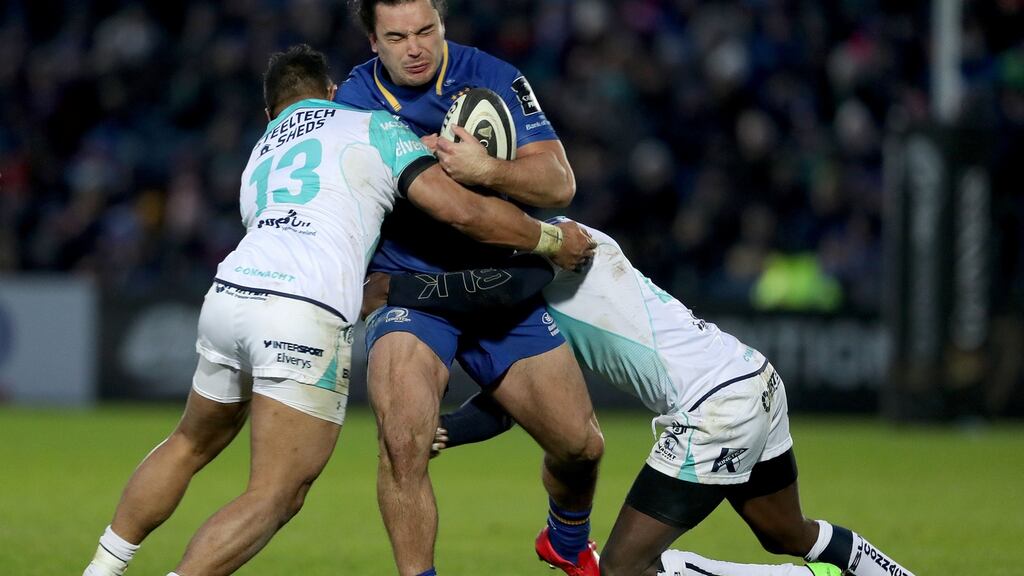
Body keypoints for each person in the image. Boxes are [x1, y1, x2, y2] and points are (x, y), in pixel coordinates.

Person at [82, 44, 595, 576]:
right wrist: (550, 241)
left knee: (189, 442)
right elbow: (462, 210)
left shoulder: (260, 154)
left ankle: (102, 567)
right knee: (277, 491)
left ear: (270, 113)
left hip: (230, 294)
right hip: (299, 312)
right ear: (332, 94)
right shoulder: (368, 125)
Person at [365, 220, 918, 576]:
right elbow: (519, 400)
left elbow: (502, 287)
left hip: (714, 408)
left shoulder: (550, 252)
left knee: (624, 570)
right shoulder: (564, 246)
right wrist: (452, 429)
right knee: (786, 531)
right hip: (753, 378)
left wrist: (397, 289)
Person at [336, 1, 604, 575]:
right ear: (373, 43)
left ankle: (566, 539)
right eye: (398, 36)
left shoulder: (496, 78)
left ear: (443, 24)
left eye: (426, 30)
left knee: (581, 447)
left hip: (497, 288)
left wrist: (490, 171)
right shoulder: (352, 103)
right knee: (403, 441)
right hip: (412, 292)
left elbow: (559, 185)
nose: (415, 47)